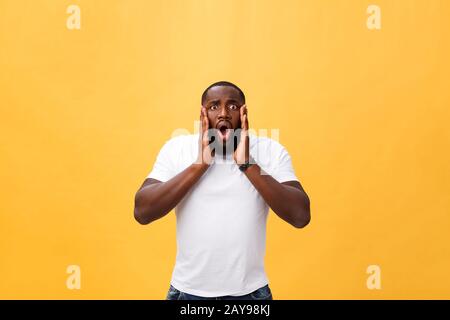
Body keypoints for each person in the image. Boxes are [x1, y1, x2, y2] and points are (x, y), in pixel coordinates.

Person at [134, 81, 311, 300]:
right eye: (214, 106)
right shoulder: (177, 149)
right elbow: (143, 211)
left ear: (244, 113)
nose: (224, 114)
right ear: (203, 113)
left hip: (251, 294)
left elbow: (300, 215)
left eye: (233, 106)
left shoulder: (270, 151)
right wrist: (199, 165)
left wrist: (247, 163)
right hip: (187, 294)